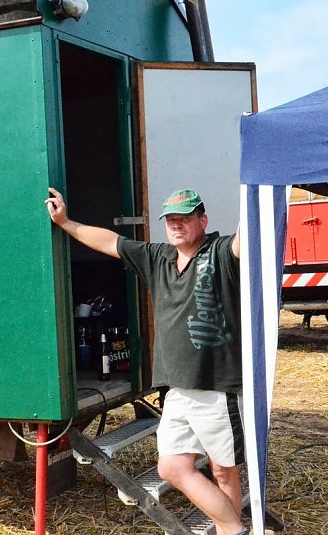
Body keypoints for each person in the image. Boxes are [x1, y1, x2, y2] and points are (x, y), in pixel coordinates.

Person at [45, 186, 249, 535]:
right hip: (175, 388)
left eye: (185, 218)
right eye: (171, 219)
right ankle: (234, 529)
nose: (177, 225)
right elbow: (110, 241)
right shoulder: (157, 258)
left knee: (222, 470)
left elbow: (247, 238)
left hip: (218, 385)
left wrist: (260, 184)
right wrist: (66, 223)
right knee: (171, 466)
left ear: (203, 220)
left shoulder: (220, 252)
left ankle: (230, 530)